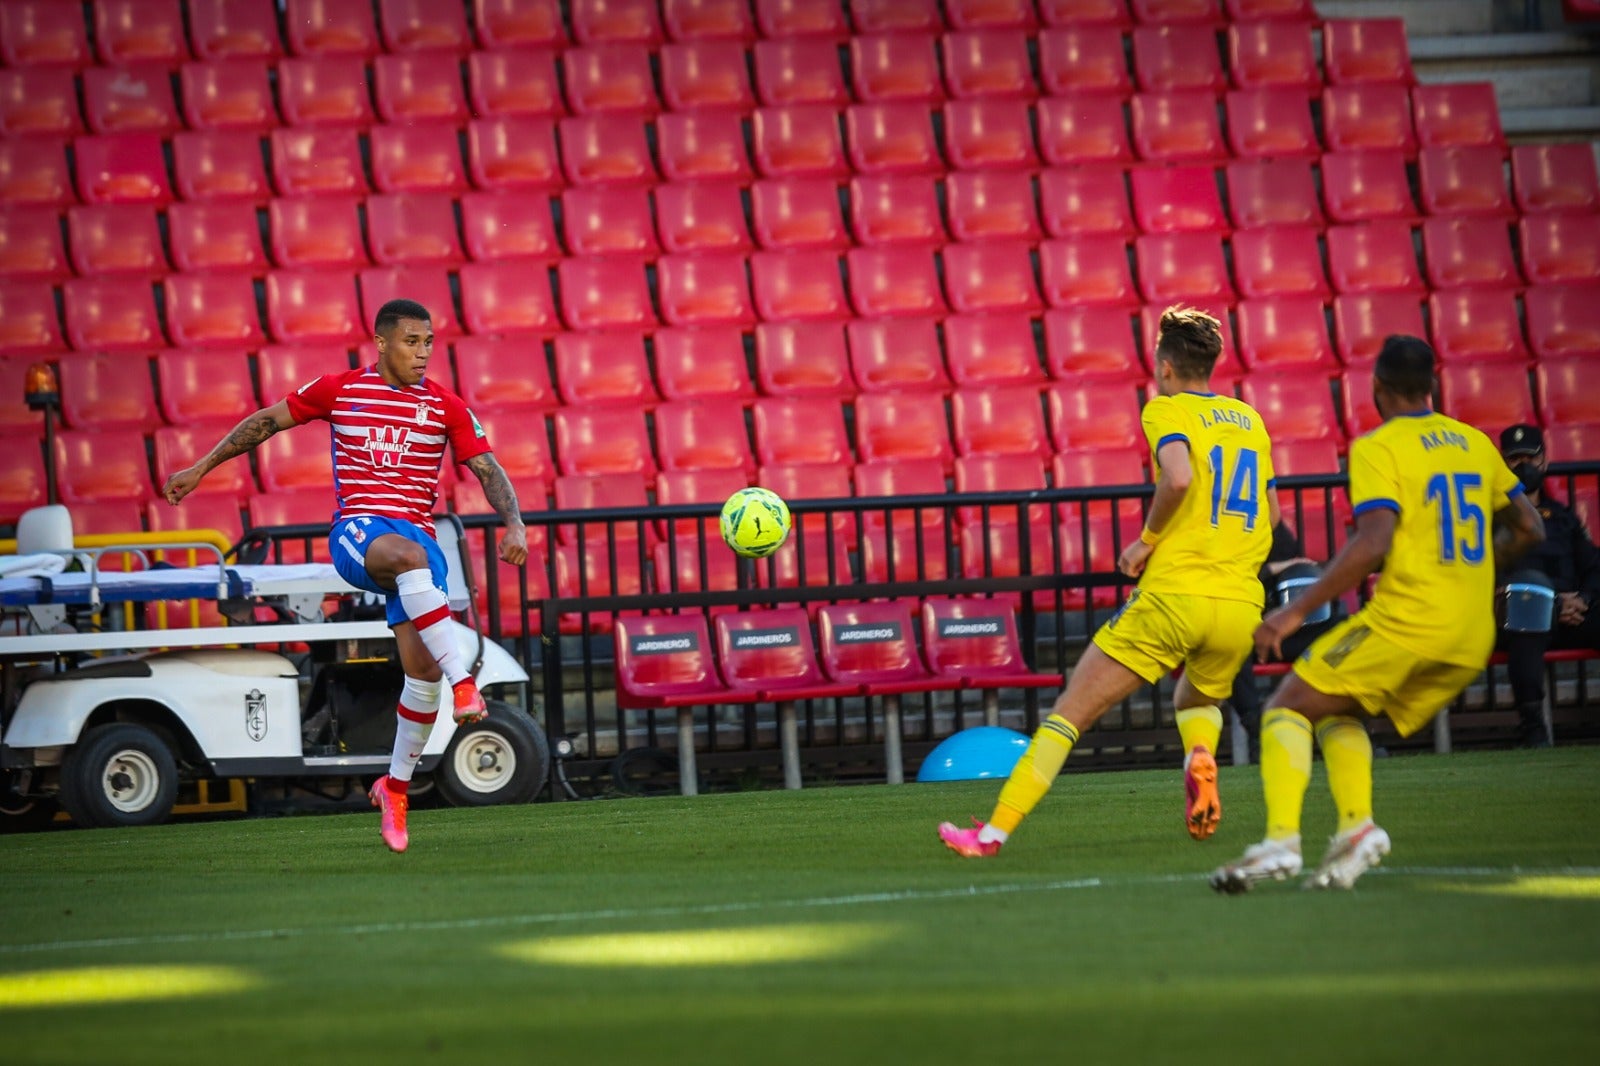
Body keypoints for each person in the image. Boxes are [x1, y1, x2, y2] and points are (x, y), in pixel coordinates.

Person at [162, 299, 528, 854]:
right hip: (360, 532)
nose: (423, 352)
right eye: (411, 341)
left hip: (416, 550)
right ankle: (465, 681)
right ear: (381, 342)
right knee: (410, 565)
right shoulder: (341, 389)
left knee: (420, 675)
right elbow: (265, 422)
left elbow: (487, 467)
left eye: (429, 341)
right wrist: (200, 468)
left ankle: (395, 788)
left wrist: (514, 525)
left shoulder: (444, 405)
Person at [939, 305, 1279, 857]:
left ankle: (991, 833)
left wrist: (1147, 539)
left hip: (1174, 594)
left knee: (1068, 715)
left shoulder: (1166, 411)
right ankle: (1200, 757)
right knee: (1196, 696)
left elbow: (1180, 476)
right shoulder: (1251, 421)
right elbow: (1274, 514)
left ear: (1165, 368)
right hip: (1241, 603)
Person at [1212, 336, 1543, 894]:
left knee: (1286, 706)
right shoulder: (1473, 443)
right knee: (1339, 707)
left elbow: (1371, 544)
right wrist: (1479, 569)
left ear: (1377, 390)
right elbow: (1531, 527)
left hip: (1409, 621)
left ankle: (1281, 842)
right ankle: (1356, 829)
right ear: (1432, 386)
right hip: (1470, 633)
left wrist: (1293, 612)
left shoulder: (1378, 448)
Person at [1495, 424, 1600, 748]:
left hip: (1571, 614)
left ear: (1544, 460)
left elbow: (1594, 566)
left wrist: (1582, 599)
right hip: (1519, 620)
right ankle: (1534, 730)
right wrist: (1553, 603)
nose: (1524, 465)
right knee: (1528, 614)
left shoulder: (1562, 516)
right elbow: (1492, 581)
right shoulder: (1491, 519)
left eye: (1530, 457)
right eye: (1515, 459)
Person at [1227, 522, 1340, 763]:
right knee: (1228, 643)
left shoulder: (1274, 530)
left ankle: (1351, 729)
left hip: (1289, 629)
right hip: (1249, 632)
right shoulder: (1222, 530)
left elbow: (1301, 569)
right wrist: (1272, 569)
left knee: (1339, 631)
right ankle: (1258, 730)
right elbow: (1223, 577)